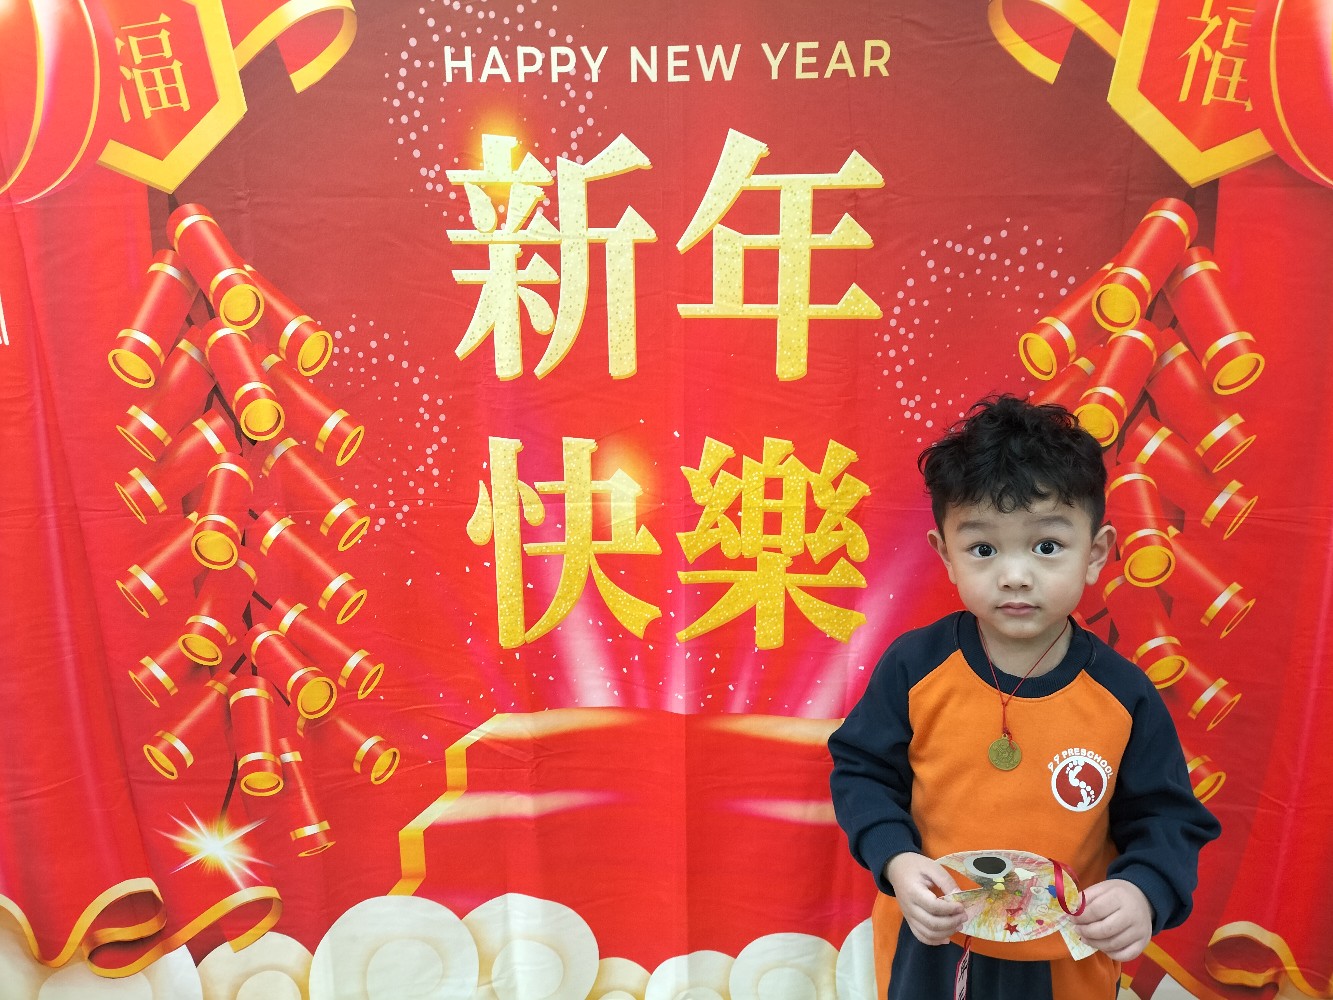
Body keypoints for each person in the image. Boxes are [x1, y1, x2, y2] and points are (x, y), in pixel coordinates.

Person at [828, 394, 1221, 999]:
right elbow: (861, 772)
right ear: (946, 555)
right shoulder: (914, 665)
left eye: (1046, 546)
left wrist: (1144, 890)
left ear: (1095, 553)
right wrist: (895, 860)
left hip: (1065, 958)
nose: (1015, 576)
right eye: (984, 549)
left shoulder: (1125, 696)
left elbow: (1167, 817)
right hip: (931, 943)